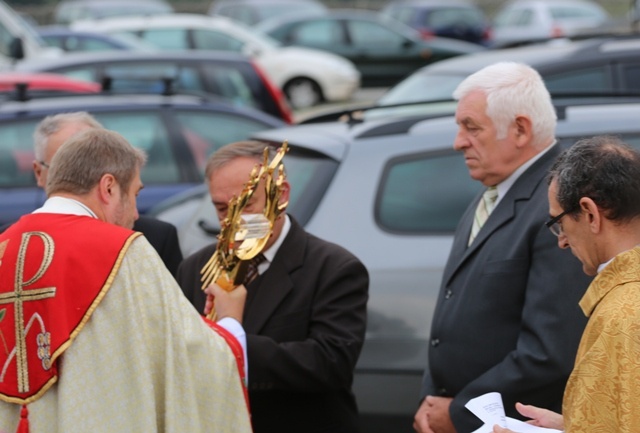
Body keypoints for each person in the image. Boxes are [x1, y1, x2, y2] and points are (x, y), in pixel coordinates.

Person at [0, 128, 251, 432]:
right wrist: (229, 325)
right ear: (108, 187)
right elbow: (190, 357)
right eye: (134, 194)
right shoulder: (124, 251)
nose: (134, 213)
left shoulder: (4, 247)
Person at [414, 62, 592, 433]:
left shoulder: (556, 207)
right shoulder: (493, 192)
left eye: (471, 127)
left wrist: (459, 412)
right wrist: (433, 398)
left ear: (521, 129)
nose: (458, 141)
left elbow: (550, 351)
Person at [177, 140, 369, 433]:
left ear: (281, 195)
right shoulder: (196, 268)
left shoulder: (334, 268)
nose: (234, 221)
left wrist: (233, 334)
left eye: (247, 204)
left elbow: (331, 364)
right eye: (221, 208)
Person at [493, 136, 640, 433]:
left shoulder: (622, 317)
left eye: (559, 222)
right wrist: (571, 424)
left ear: (589, 213)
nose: (561, 241)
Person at [31, 111, 183, 277]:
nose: (79, 174)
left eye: (92, 161)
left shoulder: (155, 239)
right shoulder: (10, 244)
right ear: (39, 173)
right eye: (63, 166)